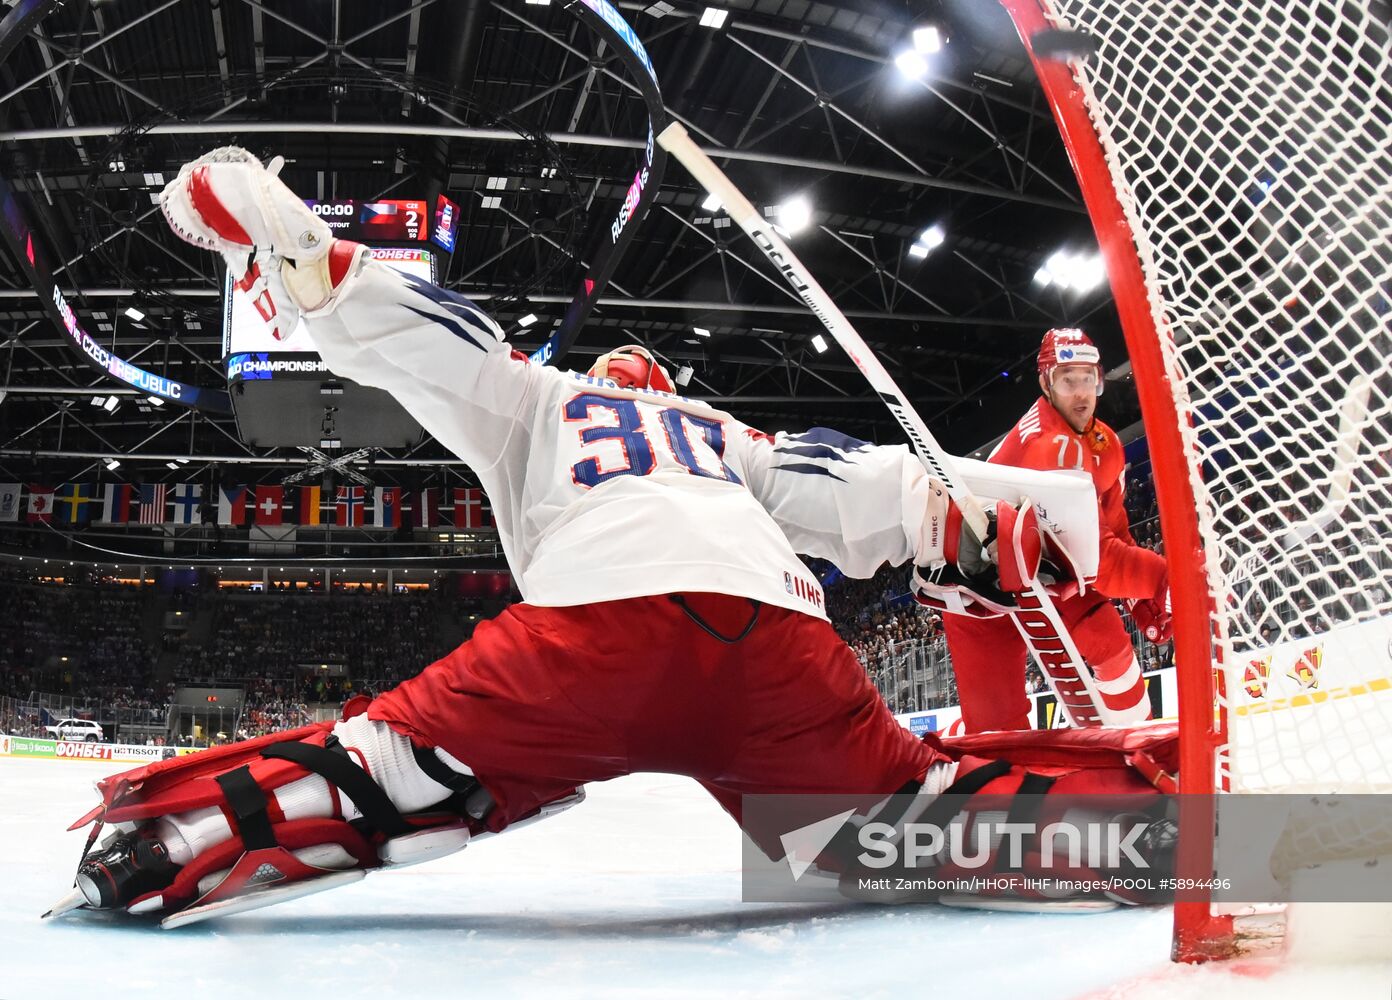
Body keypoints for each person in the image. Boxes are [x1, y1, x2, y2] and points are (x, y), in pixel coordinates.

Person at [45, 149, 1176, 927]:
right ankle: (1170, 829)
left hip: (594, 633)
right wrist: (968, 527)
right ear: (667, 387)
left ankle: (158, 850)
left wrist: (297, 251)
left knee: (386, 771)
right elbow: (867, 494)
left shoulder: (542, 400)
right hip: (778, 643)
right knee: (889, 820)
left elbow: (423, 342)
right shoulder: (718, 429)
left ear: (600, 381)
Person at [941, 328, 1171, 732]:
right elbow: (1099, 561)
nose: (1082, 393)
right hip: (978, 584)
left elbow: (1114, 527)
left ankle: (1136, 748)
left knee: (1109, 643)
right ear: (1046, 382)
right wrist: (1164, 580)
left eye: (1088, 379)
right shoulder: (1051, 448)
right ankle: (950, 746)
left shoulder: (1105, 444)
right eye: (1069, 380)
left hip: (1044, 564)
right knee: (998, 738)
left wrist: (1138, 599)